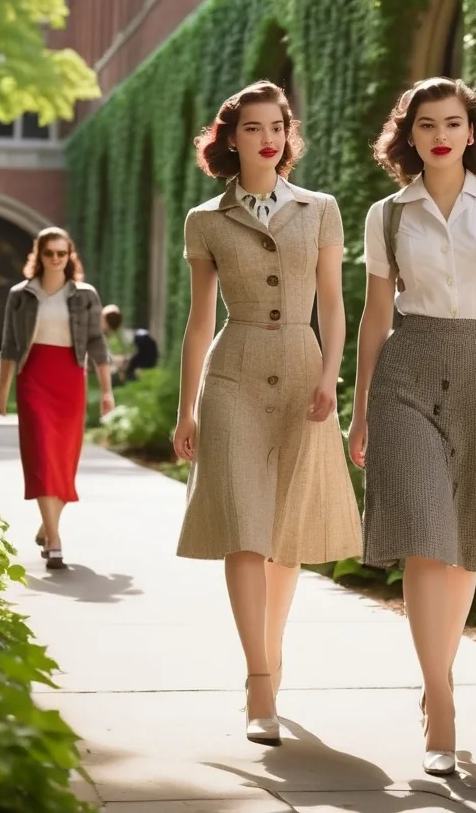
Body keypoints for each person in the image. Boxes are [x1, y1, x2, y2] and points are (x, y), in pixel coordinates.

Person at [348, 76, 476, 777]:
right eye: (426, 123)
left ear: (472, 132)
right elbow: (376, 316)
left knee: (461, 544)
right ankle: (442, 704)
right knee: (425, 535)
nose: (440, 133)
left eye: (453, 122)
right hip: (407, 369)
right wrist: (358, 407)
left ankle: (440, 680)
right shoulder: (387, 215)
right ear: (409, 137)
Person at [172, 80, 361, 747]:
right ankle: (259, 684)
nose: (267, 137)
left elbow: (336, 304)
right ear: (231, 138)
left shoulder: (321, 209)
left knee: (287, 534)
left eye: (275, 125)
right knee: (245, 531)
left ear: (288, 133)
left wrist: (332, 374)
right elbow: (199, 323)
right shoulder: (206, 220)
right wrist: (185, 408)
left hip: (303, 372)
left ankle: (270, 657)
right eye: (251, 128)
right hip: (233, 375)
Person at [0, 227, 115, 571]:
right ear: (39, 255)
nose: (55, 259)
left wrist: (106, 390)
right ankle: (55, 541)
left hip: (70, 378)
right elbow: (9, 344)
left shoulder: (85, 295)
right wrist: (3, 391)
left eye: (62, 253)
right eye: (49, 253)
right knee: (42, 454)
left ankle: (47, 526)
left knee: (64, 459)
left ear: (70, 256)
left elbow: (97, 343)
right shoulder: (21, 295)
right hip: (33, 377)